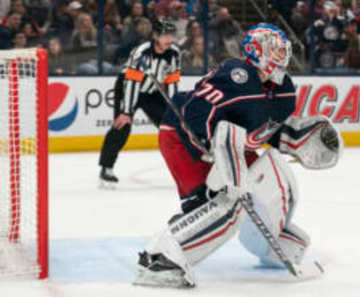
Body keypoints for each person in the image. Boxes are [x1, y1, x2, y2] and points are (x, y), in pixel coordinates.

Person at [133, 24, 342, 288]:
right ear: (256, 51)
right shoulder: (236, 74)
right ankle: (159, 259)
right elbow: (196, 111)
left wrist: (294, 139)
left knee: (273, 178)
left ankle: (272, 242)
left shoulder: (285, 90)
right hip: (182, 137)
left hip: (232, 143)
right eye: (273, 49)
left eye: (282, 50)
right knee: (221, 206)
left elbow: (268, 130)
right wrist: (212, 149)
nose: (281, 55)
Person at [98, 20, 181, 185]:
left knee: (171, 127)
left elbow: (172, 83)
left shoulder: (174, 53)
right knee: (122, 125)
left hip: (152, 91)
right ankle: (106, 167)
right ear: (155, 36)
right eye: (165, 35)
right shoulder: (141, 52)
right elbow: (132, 83)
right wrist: (127, 112)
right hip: (127, 87)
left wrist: (174, 109)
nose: (168, 39)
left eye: (170, 35)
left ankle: (182, 168)